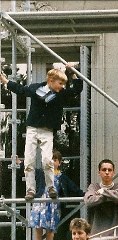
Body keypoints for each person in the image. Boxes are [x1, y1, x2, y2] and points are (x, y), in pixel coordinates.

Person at [0, 64, 82, 200]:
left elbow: (76, 90)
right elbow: (21, 90)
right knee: (29, 161)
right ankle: (30, 189)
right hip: (32, 128)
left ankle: (50, 187)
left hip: (47, 130)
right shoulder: (36, 89)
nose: (62, 86)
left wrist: (72, 73)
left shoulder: (60, 94)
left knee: (46, 160)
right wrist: (5, 81)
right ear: (51, 80)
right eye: (60, 83)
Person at [28, 150, 79, 240]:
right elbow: (29, 172)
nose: (52, 162)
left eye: (55, 160)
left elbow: (73, 188)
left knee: (50, 227)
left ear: (59, 163)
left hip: (53, 205)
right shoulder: (42, 173)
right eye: (50, 160)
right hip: (41, 202)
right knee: (38, 225)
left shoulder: (61, 176)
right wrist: (20, 164)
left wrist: (85, 193)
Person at [83, 159, 118, 238]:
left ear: (113, 172)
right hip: (97, 234)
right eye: (104, 170)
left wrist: (103, 192)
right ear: (99, 172)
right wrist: (112, 196)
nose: (107, 172)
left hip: (117, 234)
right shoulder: (94, 186)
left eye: (109, 170)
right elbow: (89, 201)